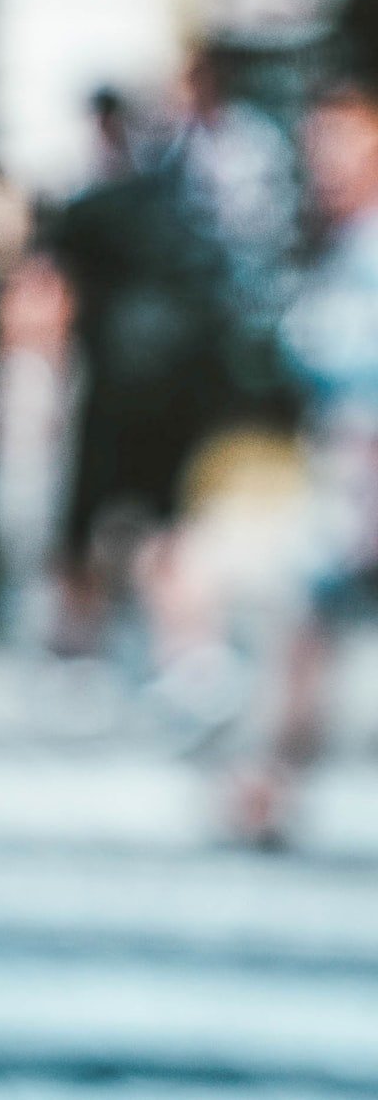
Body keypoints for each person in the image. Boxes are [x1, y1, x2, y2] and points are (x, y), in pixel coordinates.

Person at [229, 72, 378, 846]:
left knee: (303, 630)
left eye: (344, 142)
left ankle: (264, 791)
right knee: (304, 634)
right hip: (347, 469)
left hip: (363, 475)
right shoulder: (341, 243)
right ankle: (265, 792)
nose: (325, 162)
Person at [43, 88, 241, 657]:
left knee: (84, 521)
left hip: (113, 384)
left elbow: (47, 293)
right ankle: (183, 656)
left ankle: (77, 648)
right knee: (166, 522)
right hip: (176, 389)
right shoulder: (186, 208)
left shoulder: (92, 207)